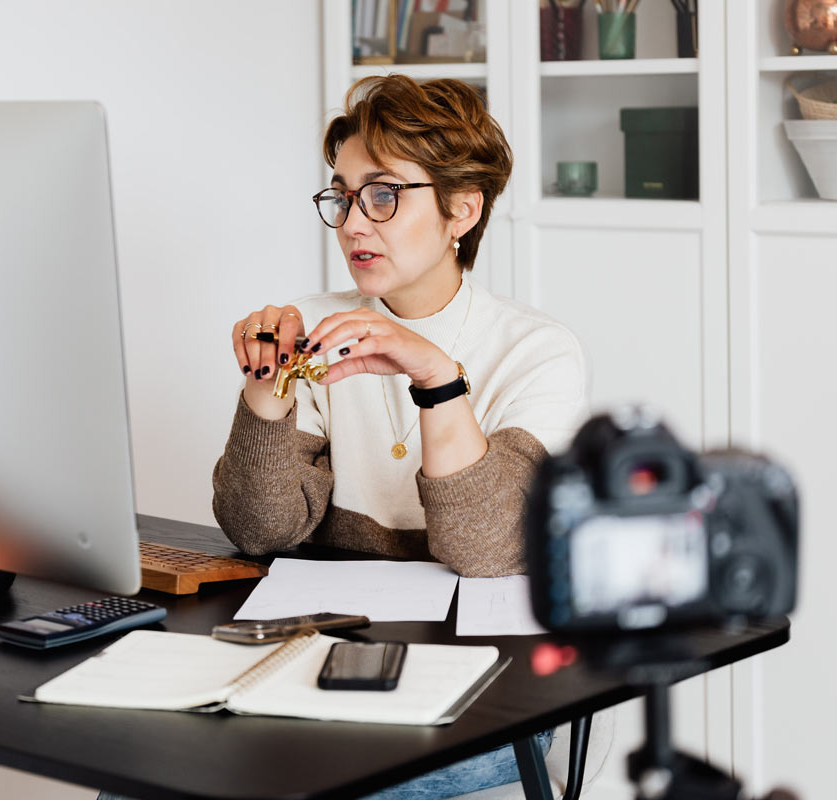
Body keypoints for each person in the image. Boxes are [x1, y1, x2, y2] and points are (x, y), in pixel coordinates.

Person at [209, 76, 589, 798]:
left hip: (492, 689)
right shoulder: (314, 328)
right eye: (343, 195)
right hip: (327, 663)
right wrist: (265, 395)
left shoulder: (538, 351)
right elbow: (261, 530)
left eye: (383, 194)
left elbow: (486, 552)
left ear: (461, 210)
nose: (354, 223)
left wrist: (436, 378)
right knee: (143, 773)